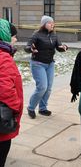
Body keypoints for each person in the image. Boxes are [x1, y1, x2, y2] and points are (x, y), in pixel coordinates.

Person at [25, 15, 68, 119]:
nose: (52, 24)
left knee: (48, 88)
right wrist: (31, 49)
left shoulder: (54, 35)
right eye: (49, 23)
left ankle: (42, 108)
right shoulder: (36, 34)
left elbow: (59, 47)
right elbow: (27, 47)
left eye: (53, 23)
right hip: (38, 64)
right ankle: (31, 107)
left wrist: (64, 47)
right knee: (42, 87)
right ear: (44, 24)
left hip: (50, 64)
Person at [0, 20, 23, 167]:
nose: (15, 39)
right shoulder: (3, 58)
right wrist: (16, 109)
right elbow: (6, 91)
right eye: (13, 36)